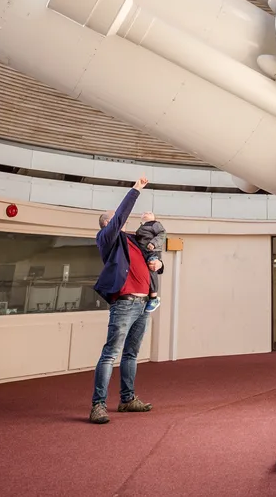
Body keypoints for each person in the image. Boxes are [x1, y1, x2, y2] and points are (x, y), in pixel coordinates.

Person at [90, 176, 164, 424]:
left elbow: (152, 254)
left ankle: (127, 399)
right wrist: (135, 190)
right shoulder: (107, 239)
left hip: (143, 304)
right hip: (125, 303)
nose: (123, 222)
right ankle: (98, 405)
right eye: (117, 219)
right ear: (108, 223)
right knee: (111, 354)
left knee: (131, 354)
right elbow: (120, 215)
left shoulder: (131, 240)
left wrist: (159, 264)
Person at [133, 212, 167, 314]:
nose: (146, 213)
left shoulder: (154, 224)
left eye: (150, 212)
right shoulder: (141, 227)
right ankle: (148, 294)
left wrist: (153, 243)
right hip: (143, 253)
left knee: (152, 269)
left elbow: (162, 234)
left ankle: (154, 297)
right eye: (144, 212)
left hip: (152, 252)